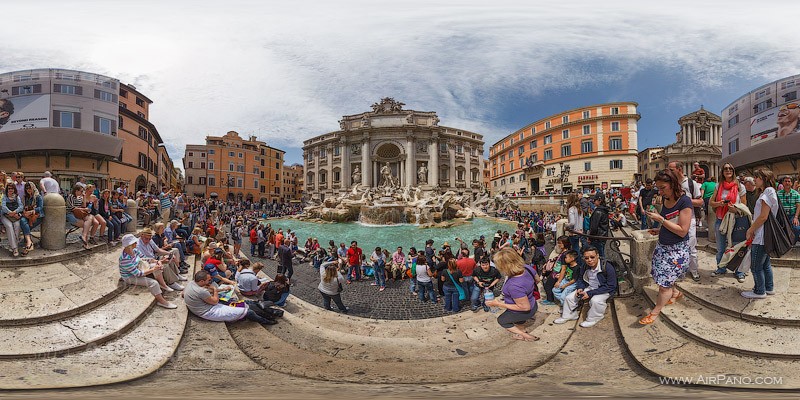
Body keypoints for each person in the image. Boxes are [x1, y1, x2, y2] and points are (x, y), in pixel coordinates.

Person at [639, 169, 693, 324]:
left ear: (673, 184)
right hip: (663, 246)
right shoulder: (666, 199)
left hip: (677, 249)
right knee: (663, 277)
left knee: (664, 285)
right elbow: (672, 222)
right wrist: (660, 228)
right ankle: (675, 293)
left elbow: (683, 231)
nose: (660, 192)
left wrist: (661, 220)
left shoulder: (685, 201)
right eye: (659, 188)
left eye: (663, 188)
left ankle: (655, 312)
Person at [554, 246, 617, 328]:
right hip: (589, 287)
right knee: (569, 297)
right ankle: (569, 315)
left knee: (595, 301)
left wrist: (590, 293)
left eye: (592, 257)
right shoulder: (585, 266)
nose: (590, 260)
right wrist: (580, 288)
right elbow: (581, 279)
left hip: (604, 289)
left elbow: (611, 285)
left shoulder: (607, 267)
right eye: (587, 258)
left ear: (597, 256)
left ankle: (594, 318)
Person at [484, 248, 539, 341]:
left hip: (525, 310)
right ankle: (522, 331)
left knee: (502, 320)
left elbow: (525, 307)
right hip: (533, 303)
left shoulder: (514, 285)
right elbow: (537, 280)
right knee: (518, 320)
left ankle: (525, 335)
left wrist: (498, 304)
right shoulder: (526, 267)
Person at [185, 270, 276, 325]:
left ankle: (269, 312)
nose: (210, 281)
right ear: (201, 281)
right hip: (208, 311)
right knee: (248, 311)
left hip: (205, 306)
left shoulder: (191, 284)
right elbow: (215, 301)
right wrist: (215, 290)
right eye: (208, 280)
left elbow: (183, 294)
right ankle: (266, 321)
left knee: (243, 303)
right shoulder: (201, 291)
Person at [743, 168, 780, 299]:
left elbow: (763, 216)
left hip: (761, 235)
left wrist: (750, 229)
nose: (754, 180)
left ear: (764, 179)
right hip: (766, 235)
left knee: (756, 266)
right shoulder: (770, 192)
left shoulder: (766, 193)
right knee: (765, 264)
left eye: (757, 178)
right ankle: (768, 287)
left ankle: (759, 291)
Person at [117, 234, 177, 309]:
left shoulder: (134, 250)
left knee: (156, 266)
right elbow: (138, 274)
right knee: (153, 283)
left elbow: (145, 258)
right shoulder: (124, 259)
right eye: (134, 243)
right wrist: (153, 269)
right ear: (130, 245)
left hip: (138, 268)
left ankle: (163, 284)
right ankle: (162, 302)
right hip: (130, 277)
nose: (136, 243)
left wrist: (158, 261)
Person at [668, 161, 704, 282]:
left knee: (691, 247)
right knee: (676, 247)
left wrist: (685, 200)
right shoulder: (670, 184)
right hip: (674, 219)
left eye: (671, 170)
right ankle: (679, 271)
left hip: (690, 219)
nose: (669, 172)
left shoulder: (691, 183)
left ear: (679, 169)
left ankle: (694, 271)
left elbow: (700, 202)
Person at [708, 163, 744, 270]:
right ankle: (721, 268)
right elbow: (711, 202)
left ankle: (739, 271)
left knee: (737, 247)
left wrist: (735, 209)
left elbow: (744, 206)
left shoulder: (739, 186)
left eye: (730, 169)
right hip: (721, 220)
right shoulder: (718, 186)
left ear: (733, 171)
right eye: (725, 169)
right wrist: (719, 203)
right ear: (722, 172)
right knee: (720, 248)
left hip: (736, 220)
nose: (728, 170)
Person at [66, 185, 98, 250]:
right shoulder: (71, 196)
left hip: (79, 214)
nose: (82, 192)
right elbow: (72, 208)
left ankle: (84, 237)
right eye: (81, 191)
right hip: (71, 214)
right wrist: (84, 209)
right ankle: (85, 242)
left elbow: (83, 206)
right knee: (87, 225)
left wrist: (84, 197)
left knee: (89, 218)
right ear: (76, 191)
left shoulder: (80, 197)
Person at [19, 182, 43, 256]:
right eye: (26, 188)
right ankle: (29, 243)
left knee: (25, 227)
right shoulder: (25, 197)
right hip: (27, 216)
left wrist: (32, 211)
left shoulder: (38, 196)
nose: (28, 190)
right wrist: (24, 211)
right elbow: (22, 207)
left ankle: (27, 243)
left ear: (33, 187)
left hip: (36, 216)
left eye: (29, 188)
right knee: (22, 221)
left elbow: (40, 207)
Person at [776, 175, 800, 245]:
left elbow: (798, 206)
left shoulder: (796, 194)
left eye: (789, 181)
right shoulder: (778, 194)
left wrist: (796, 217)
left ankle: (792, 243)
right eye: (785, 181)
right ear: (782, 183)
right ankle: (783, 243)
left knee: (796, 228)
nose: (787, 183)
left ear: (792, 183)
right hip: (781, 216)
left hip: (792, 216)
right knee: (778, 228)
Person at [1, 184, 23, 257]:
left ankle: (13, 246)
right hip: (5, 215)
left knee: (17, 226)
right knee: (9, 226)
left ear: (14, 189)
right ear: (7, 189)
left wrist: (15, 212)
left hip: (14, 215)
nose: (11, 190)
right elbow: (3, 207)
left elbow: (21, 206)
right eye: (9, 188)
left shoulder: (17, 197)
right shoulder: (4, 197)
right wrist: (10, 212)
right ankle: (15, 248)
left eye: (12, 188)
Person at [588, 193, 610, 260]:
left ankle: (603, 269)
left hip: (597, 237)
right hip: (602, 236)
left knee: (599, 256)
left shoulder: (598, 211)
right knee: (601, 254)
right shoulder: (604, 210)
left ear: (599, 200)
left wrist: (590, 237)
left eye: (595, 200)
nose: (594, 201)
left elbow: (594, 227)